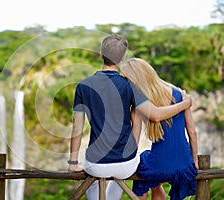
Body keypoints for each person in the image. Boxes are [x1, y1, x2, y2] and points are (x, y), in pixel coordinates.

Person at [68, 34, 193, 200]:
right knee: (117, 177)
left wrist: (73, 163)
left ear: (101, 54)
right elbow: (155, 115)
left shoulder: (83, 86)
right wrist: (184, 105)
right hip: (126, 163)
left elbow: (77, 128)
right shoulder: (130, 85)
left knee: (96, 184)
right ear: (122, 58)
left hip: (97, 164)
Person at [121, 58, 198, 200]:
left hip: (160, 164)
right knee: (155, 181)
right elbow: (192, 132)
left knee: (143, 166)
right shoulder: (181, 95)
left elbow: (134, 141)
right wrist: (194, 162)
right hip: (184, 164)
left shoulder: (140, 104)